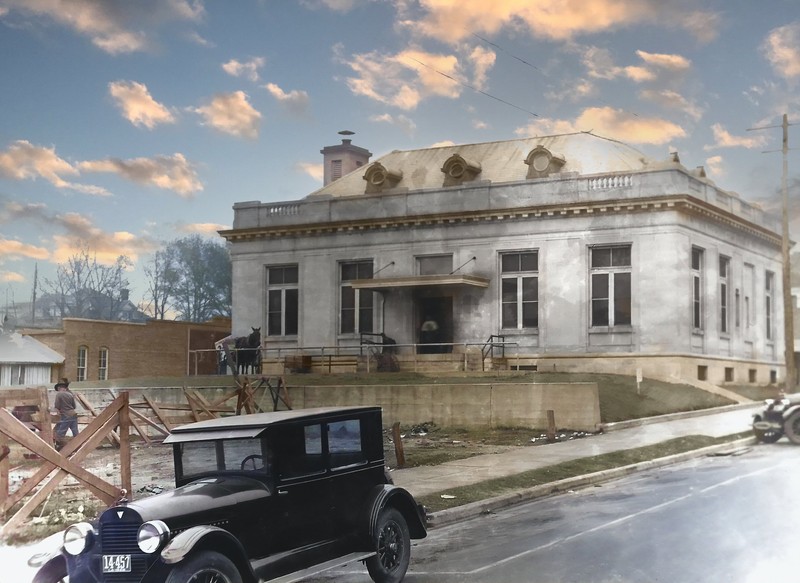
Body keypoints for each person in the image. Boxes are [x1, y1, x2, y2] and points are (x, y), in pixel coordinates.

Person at [53, 377, 79, 447]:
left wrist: (58, 410)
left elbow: (57, 406)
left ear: (59, 388)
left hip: (66, 415)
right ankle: (79, 445)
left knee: (61, 432)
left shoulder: (59, 394)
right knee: (75, 432)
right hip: (73, 414)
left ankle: (60, 447)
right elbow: (74, 406)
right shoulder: (70, 395)